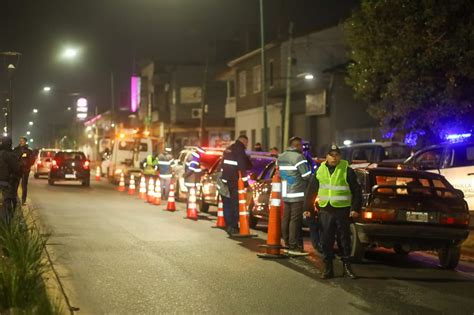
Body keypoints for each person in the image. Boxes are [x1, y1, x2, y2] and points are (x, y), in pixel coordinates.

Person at [303, 144, 362, 279]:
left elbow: (357, 192)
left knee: (344, 240)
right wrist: (308, 209)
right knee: (326, 240)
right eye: (331, 155)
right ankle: (328, 268)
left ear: (340, 156)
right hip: (325, 210)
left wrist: (355, 209)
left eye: (336, 155)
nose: (334, 158)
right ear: (327, 157)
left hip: (342, 210)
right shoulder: (320, 171)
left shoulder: (347, 170)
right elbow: (311, 191)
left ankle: (347, 267)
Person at [277, 137, 312, 255]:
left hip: (285, 192)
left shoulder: (281, 156)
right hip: (297, 192)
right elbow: (306, 175)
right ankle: (294, 245)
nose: (302, 148)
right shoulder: (298, 157)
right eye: (301, 145)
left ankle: (286, 241)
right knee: (295, 220)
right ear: (297, 145)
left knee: (286, 218)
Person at [220, 135, 252, 235]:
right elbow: (242, 167)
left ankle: (229, 225)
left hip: (225, 179)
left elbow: (222, 165)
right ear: (243, 141)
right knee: (235, 203)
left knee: (227, 203)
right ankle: (233, 226)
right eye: (246, 142)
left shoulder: (229, 149)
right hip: (234, 181)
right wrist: (246, 183)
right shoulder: (240, 150)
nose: (247, 145)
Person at [0, 137, 21, 222]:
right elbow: (17, 168)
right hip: (6, 183)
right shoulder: (10, 155)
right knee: (8, 206)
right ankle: (7, 228)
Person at [13, 137, 35, 205]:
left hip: (25, 170)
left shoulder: (29, 150)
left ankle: (23, 200)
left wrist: (27, 166)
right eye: (20, 141)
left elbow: (32, 160)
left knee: (24, 185)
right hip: (17, 169)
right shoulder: (16, 149)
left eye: (22, 141)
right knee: (15, 184)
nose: (21, 142)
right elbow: (13, 158)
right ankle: (15, 199)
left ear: (25, 142)